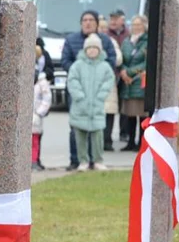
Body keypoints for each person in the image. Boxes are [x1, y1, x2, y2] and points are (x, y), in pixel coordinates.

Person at [60, 11, 117, 170]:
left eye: (91, 20)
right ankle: (77, 160)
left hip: (97, 95)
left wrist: (100, 90)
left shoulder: (105, 41)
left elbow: (111, 60)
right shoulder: (71, 40)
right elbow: (65, 61)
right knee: (76, 129)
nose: (87, 23)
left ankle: (96, 160)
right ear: (80, 23)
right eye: (84, 20)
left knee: (97, 130)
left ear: (97, 23)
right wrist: (79, 79)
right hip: (78, 95)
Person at [119, 15, 148, 152]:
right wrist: (124, 72)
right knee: (130, 114)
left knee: (142, 114)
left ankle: (142, 143)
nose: (136, 27)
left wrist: (131, 73)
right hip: (127, 83)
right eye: (134, 25)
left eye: (138, 24)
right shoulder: (126, 42)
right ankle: (130, 141)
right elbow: (122, 59)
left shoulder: (147, 41)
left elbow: (146, 62)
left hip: (139, 81)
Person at [98, 16, 123, 152]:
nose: (102, 30)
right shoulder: (93, 41)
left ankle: (107, 140)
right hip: (95, 81)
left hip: (109, 80)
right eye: (100, 27)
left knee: (109, 111)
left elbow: (118, 59)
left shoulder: (111, 41)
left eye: (104, 28)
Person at [33, 49, 52, 171]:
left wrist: (39, 113)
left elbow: (47, 98)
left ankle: (34, 161)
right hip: (24, 117)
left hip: (36, 117)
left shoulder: (42, 82)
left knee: (35, 141)